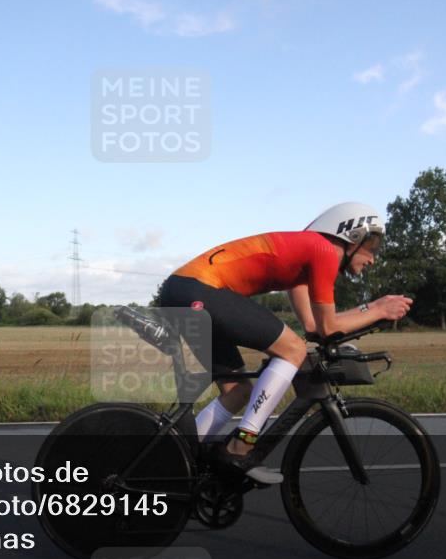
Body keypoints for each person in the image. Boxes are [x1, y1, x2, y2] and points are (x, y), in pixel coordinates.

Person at [157, 202, 412, 483]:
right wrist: (376, 308)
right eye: (372, 248)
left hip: (184, 289)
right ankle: (241, 446)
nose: (373, 258)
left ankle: (174, 458)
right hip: (199, 289)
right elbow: (328, 327)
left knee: (238, 390)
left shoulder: (306, 260)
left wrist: (370, 313)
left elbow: (315, 327)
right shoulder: (325, 250)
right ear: (352, 235)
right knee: (292, 349)